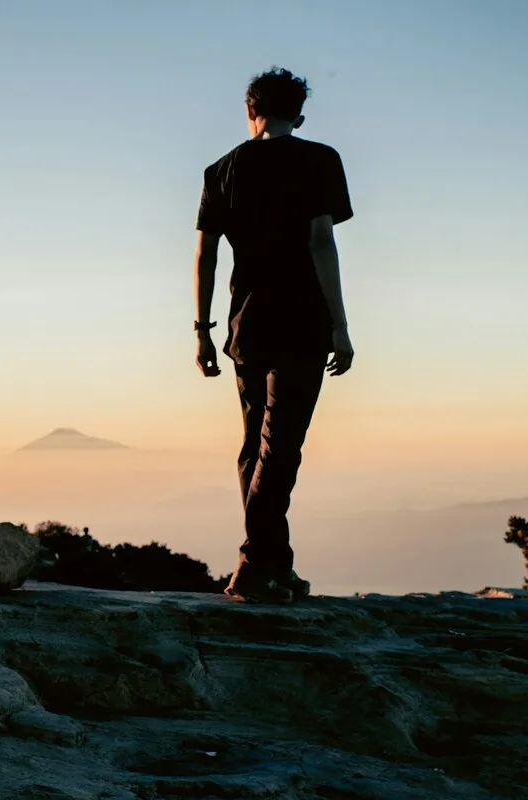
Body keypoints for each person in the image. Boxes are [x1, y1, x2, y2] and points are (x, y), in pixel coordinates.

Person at [193, 67, 354, 604]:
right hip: (304, 323)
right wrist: (341, 326)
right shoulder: (319, 160)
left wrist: (203, 330)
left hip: (246, 326)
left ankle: (275, 567)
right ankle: (254, 566)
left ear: (249, 110)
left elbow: (206, 253)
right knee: (279, 448)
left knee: (254, 448)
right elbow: (321, 243)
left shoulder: (221, 170)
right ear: (299, 115)